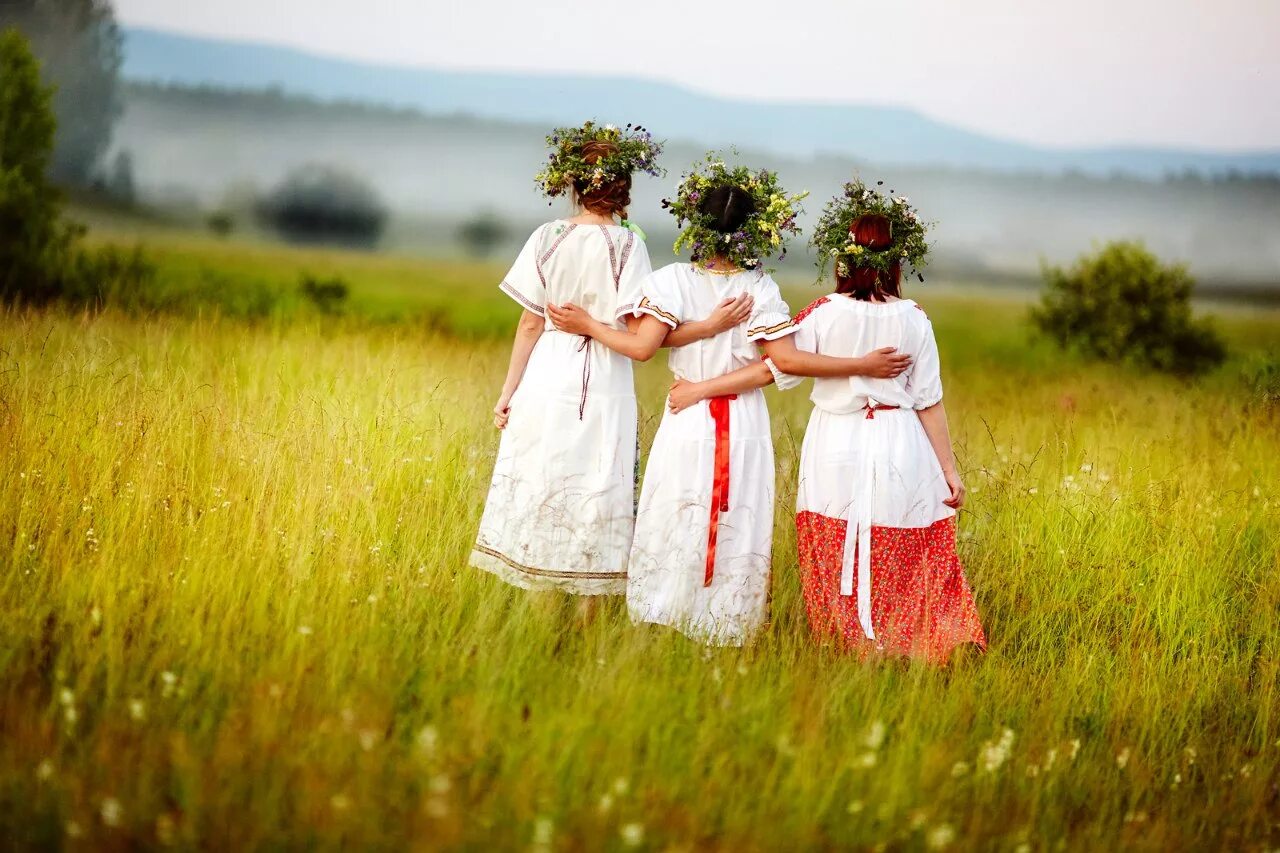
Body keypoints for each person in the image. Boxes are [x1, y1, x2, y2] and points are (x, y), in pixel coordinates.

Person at [548, 159, 912, 645]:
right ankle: (723, 627)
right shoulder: (757, 287)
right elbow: (780, 363)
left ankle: (663, 618)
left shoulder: (671, 280)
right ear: (753, 232)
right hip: (741, 420)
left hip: (687, 415)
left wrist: (594, 328)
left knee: (676, 511)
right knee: (735, 517)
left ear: (696, 226)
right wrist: (862, 364)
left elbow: (642, 346)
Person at [669, 181, 985, 661]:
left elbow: (778, 367)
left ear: (843, 260)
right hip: (902, 442)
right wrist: (949, 468)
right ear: (896, 262)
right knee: (903, 544)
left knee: (835, 542)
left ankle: (850, 646)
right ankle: (917, 645)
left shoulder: (821, 314)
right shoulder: (916, 318)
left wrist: (698, 387)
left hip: (837, 441)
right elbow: (929, 401)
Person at [471, 124, 753, 597]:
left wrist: (508, 392)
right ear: (622, 187)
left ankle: (539, 600)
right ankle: (589, 609)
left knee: (544, 477)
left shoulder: (546, 237)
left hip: (547, 372)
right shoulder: (629, 245)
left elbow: (529, 324)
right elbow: (643, 336)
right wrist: (708, 327)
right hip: (604, 376)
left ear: (575, 185)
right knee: (598, 483)